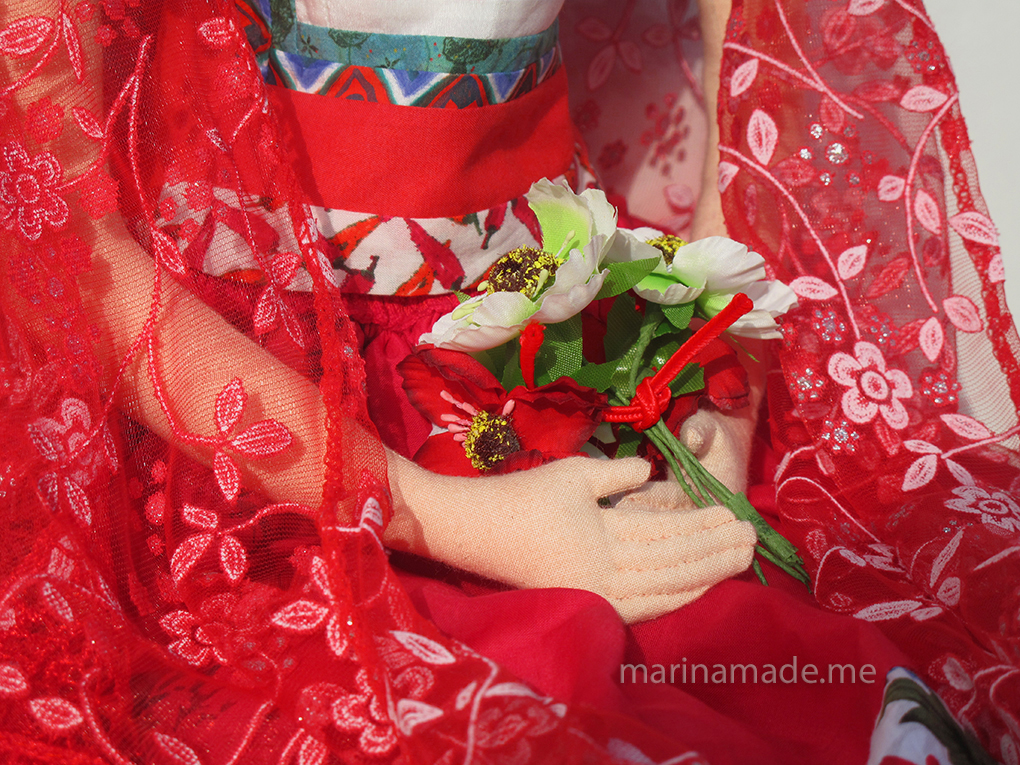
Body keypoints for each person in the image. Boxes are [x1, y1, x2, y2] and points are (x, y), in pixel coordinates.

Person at [0, 0, 1017, 763]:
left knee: (796, 685)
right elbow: (63, 257)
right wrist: (441, 516)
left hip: (543, 369)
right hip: (236, 448)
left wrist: (713, 363)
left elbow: (761, 66)